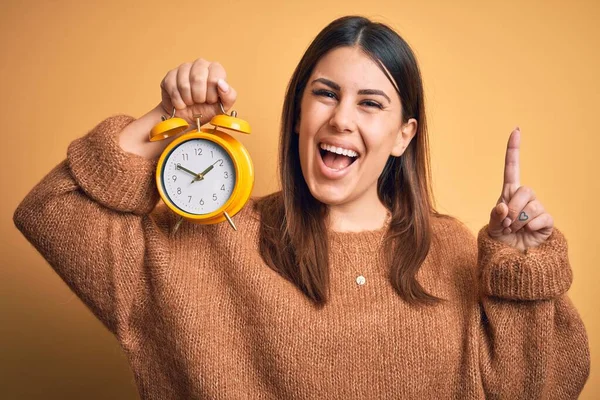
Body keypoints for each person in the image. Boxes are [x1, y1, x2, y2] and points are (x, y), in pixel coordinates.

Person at [13, 15, 590, 399]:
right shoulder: (213, 241)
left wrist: (520, 274)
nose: (341, 118)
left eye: (371, 103)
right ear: (297, 116)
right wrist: (165, 119)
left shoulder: (454, 252)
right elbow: (51, 210)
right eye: (325, 93)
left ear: (402, 136)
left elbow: (544, 388)